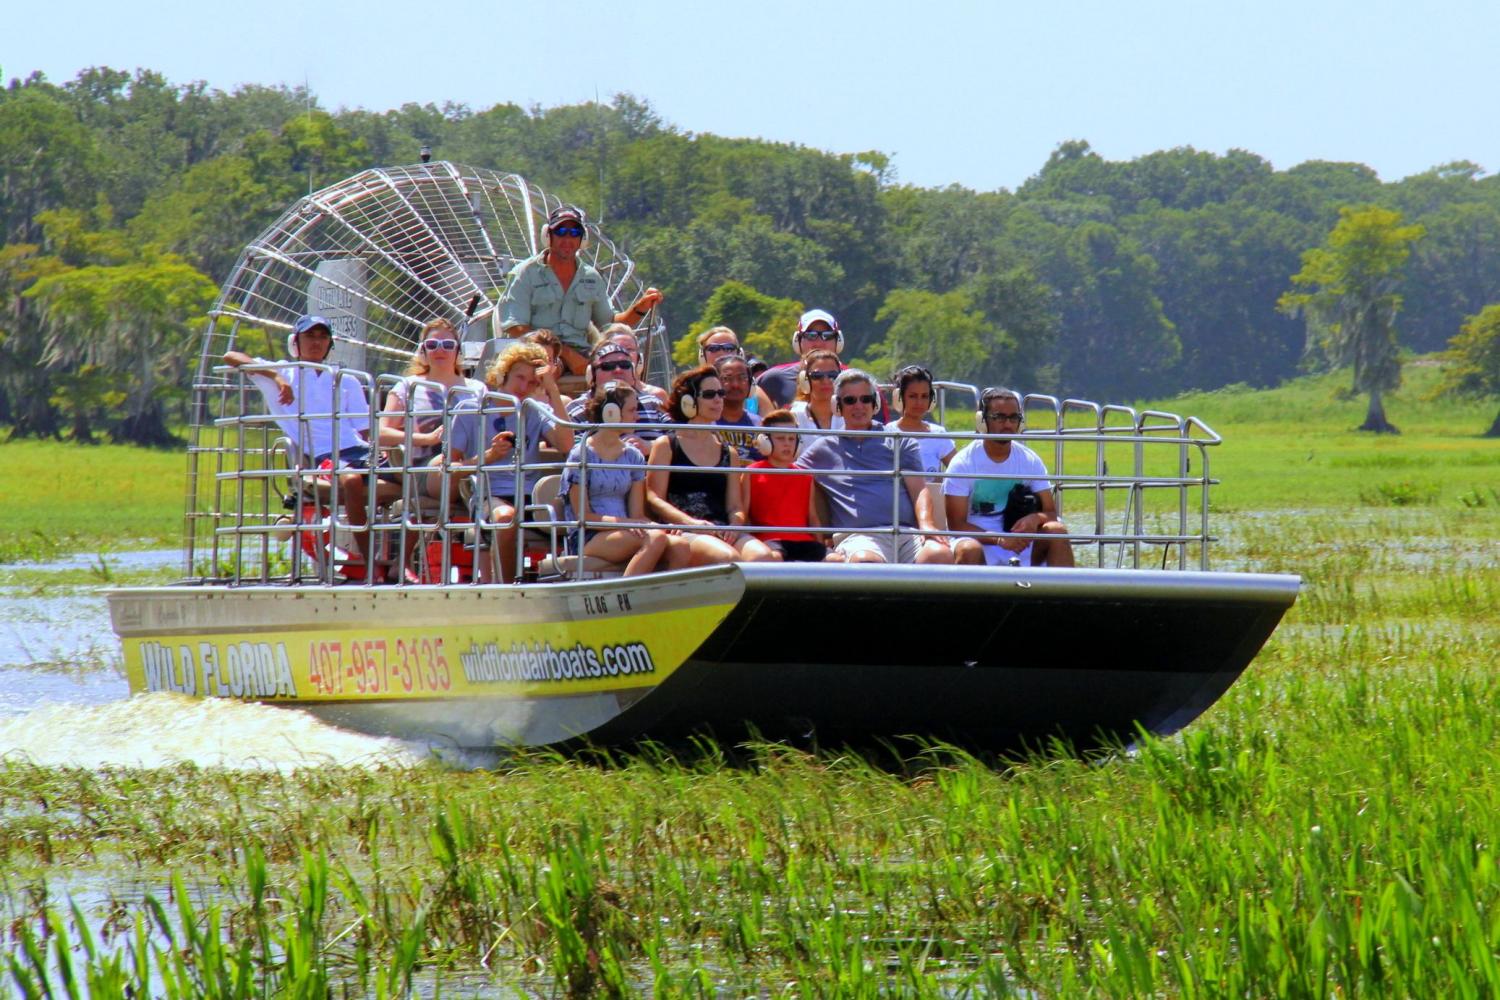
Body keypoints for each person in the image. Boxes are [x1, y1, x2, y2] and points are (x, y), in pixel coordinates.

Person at [225, 314, 396, 577]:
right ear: (296, 341)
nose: (316, 342)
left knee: (411, 478)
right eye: (310, 336)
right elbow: (232, 356)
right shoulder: (283, 371)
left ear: (330, 344)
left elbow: (364, 430)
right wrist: (277, 378)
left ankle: (402, 561)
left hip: (357, 449)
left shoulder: (345, 379)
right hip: (321, 456)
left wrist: (386, 450)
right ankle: (369, 561)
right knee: (350, 480)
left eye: (322, 337)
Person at [439, 342, 574, 583]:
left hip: (531, 496)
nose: (524, 387)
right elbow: (448, 469)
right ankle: (508, 588)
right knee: (505, 518)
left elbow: (566, 445)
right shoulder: (470, 410)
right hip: (489, 495)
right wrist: (489, 456)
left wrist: (553, 390)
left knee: (578, 509)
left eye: (533, 382)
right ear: (503, 374)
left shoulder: (537, 410)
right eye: (519, 378)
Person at [797, 369, 953, 565]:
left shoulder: (900, 442)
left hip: (905, 533)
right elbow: (787, 475)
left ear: (875, 404)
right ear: (838, 406)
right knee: (866, 561)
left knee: (939, 555)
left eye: (865, 399)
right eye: (850, 400)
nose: (859, 406)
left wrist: (927, 526)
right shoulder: (823, 448)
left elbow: (919, 490)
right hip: (859, 538)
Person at [499, 205, 662, 375]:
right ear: (548, 236)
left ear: (582, 240)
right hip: (539, 352)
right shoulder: (524, 273)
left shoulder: (591, 277)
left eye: (575, 233)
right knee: (549, 370)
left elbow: (609, 324)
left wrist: (641, 307)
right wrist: (562, 352)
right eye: (561, 231)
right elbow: (517, 328)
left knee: (619, 368)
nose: (568, 239)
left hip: (583, 353)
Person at [646, 366, 778, 565]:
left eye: (720, 393)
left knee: (764, 557)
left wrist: (735, 525)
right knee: (728, 558)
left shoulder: (728, 453)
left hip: (722, 528)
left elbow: (735, 506)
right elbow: (653, 497)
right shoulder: (667, 445)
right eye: (709, 394)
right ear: (688, 401)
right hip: (685, 529)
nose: (718, 400)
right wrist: (690, 523)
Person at [560, 382, 685, 576]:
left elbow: (637, 515)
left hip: (626, 529)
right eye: (632, 410)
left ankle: (666, 602)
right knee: (656, 539)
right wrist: (626, 524)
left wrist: (661, 526)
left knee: (680, 545)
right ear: (611, 413)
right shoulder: (581, 455)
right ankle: (630, 598)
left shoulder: (633, 456)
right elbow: (584, 516)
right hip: (590, 534)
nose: (637, 416)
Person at [944, 388, 1074, 568]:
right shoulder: (962, 463)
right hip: (978, 541)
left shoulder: (1030, 460)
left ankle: (1064, 595)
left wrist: (1035, 519)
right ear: (982, 421)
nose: (1007, 424)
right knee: (968, 549)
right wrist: (999, 539)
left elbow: (1051, 513)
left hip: (1023, 544)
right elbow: (956, 525)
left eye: (1014, 418)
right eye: (999, 417)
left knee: (1057, 531)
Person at [743, 409, 826, 562]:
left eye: (791, 438)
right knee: (774, 559)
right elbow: (744, 515)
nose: (787, 443)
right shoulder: (751, 472)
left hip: (804, 542)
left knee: (836, 561)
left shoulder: (805, 476)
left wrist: (820, 543)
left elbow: (813, 518)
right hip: (770, 541)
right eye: (780, 438)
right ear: (764, 441)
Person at [565, 341, 669, 455]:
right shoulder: (575, 410)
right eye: (607, 366)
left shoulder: (654, 403)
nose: (618, 370)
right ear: (592, 374)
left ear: (633, 371)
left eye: (625, 365)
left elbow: (680, 437)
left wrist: (651, 446)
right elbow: (570, 448)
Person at [757, 308, 844, 408]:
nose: (819, 343)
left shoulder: (854, 379)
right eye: (811, 336)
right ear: (797, 341)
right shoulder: (774, 379)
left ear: (838, 341)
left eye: (827, 336)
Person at [891, 364, 957, 473]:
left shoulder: (938, 434)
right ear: (899, 398)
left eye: (925, 396)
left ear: (932, 399)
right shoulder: (887, 433)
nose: (919, 403)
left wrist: (940, 481)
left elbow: (960, 471)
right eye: (912, 396)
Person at [696, 326, 774, 414]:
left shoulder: (756, 394)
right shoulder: (691, 390)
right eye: (713, 348)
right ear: (702, 356)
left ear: (739, 354)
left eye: (729, 348)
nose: (721, 353)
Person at [712, 353, 763, 461]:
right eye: (727, 378)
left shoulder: (761, 426)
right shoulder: (705, 425)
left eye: (742, 378)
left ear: (751, 384)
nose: (735, 384)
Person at [602, 324, 670, 404]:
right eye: (617, 349)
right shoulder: (596, 398)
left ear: (639, 357)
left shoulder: (657, 396)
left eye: (629, 349)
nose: (624, 354)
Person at [790, 349, 844, 436]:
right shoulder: (794, 418)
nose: (826, 381)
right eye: (817, 376)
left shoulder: (850, 415)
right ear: (805, 380)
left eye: (832, 375)